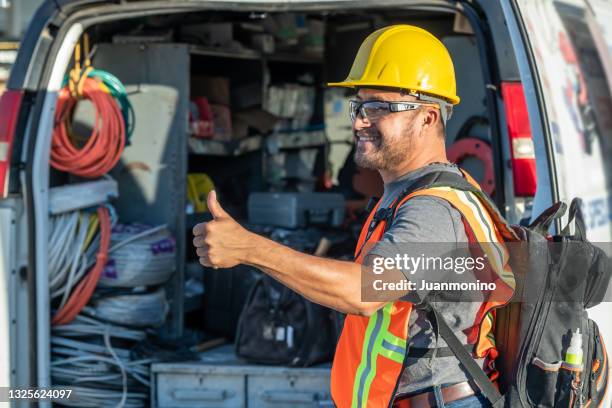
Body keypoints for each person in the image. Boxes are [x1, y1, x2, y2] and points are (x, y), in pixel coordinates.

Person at [192, 25, 512, 408]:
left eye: (379, 107)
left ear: (428, 118)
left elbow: (362, 291)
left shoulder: (432, 208)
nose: (359, 121)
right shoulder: (406, 195)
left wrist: (250, 248)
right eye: (358, 106)